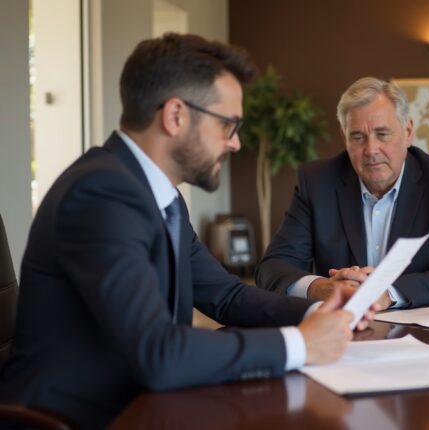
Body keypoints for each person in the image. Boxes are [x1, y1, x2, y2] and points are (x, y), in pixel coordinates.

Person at [0, 33, 370, 429]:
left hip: (141, 403)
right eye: (228, 124)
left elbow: (225, 296)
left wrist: (322, 310)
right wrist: (300, 344)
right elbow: (158, 352)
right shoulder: (101, 194)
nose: (235, 143)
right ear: (175, 115)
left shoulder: (159, 196)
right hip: (74, 417)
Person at [255, 77, 429, 309]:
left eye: (382, 134)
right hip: (341, 331)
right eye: (358, 137)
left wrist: (388, 294)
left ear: (408, 132)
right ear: (344, 138)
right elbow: (272, 267)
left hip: (420, 332)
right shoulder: (317, 182)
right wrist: (320, 287)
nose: (371, 150)